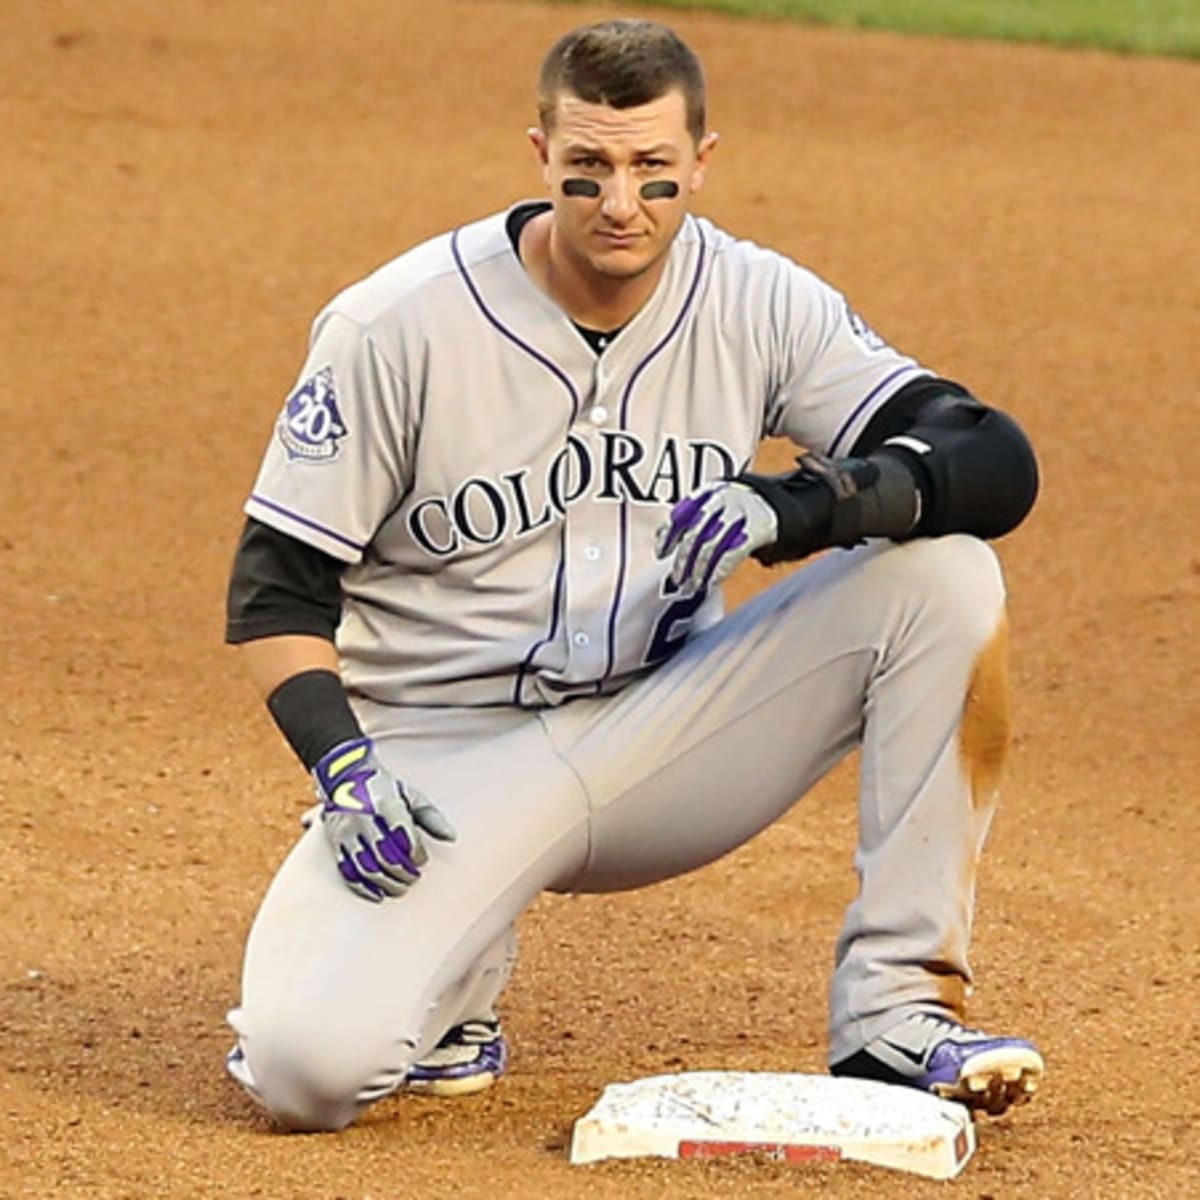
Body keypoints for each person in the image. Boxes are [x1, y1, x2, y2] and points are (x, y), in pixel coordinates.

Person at [223, 19, 1044, 1133]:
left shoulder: (757, 302)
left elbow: (991, 458)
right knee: (306, 1074)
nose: (623, 203)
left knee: (944, 577)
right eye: (592, 168)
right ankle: (452, 970)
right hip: (442, 772)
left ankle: (898, 1017)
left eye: (655, 173)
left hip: (665, 738)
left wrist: (801, 503)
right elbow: (276, 590)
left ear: (702, 161)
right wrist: (345, 765)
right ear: (540, 153)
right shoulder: (397, 325)